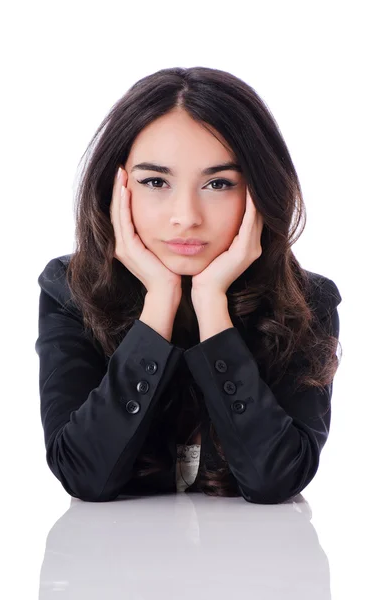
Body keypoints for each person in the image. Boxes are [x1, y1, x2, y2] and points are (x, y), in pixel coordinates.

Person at [35, 66, 342, 504]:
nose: (187, 216)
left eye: (218, 183)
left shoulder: (308, 303)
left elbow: (276, 479)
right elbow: (84, 475)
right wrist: (159, 301)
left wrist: (211, 306)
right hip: (110, 569)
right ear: (116, 189)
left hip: (257, 569)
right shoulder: (70, 291)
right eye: (155, 182)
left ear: (258, 192)